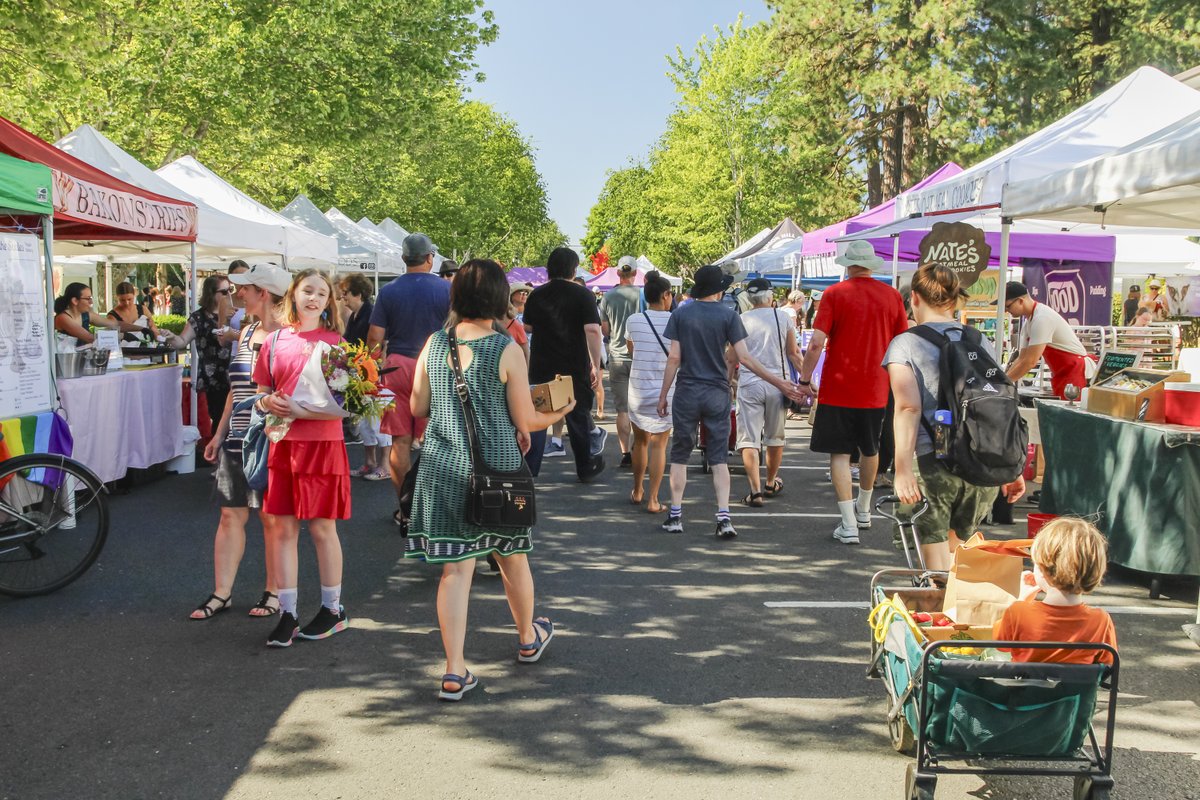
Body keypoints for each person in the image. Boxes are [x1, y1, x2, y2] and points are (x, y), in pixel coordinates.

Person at [407, 259, 575, 701]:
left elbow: (417, 406)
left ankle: (454, 670)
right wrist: (561, 409)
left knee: (455, 571)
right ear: (500, 299)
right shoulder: (506, 349)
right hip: (499, 469)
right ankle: (527, 638)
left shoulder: (434, 344)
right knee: (512, 557)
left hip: (443, 467)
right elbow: (526, 419)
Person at [886, 264, 1026, 570]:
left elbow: (908, 408)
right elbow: (998, 402)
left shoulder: (905, 344)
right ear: (954, 299)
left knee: (934, 571)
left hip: (932, 462)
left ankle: (938, 612)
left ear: (915, 299)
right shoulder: (978, 341)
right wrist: (1012, 467)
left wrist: (901, 470)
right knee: (959, 561)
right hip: (979, 462)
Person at [657, 264, 805, 538]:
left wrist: (664, 394)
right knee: (718, 458)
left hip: (688, 391)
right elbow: (745, 358)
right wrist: (779, 382)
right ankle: (724, 517)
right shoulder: (729, 317)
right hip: (717, 393)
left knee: (679, 454)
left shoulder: (680, 314)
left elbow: (674, 358)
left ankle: (675, 515)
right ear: (718, 290)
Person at [253, 269, 351, 648]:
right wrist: (268, 402)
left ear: (329, 302)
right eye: (307, 290)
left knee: (323, 529)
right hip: (283, 443)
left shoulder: (337, 344)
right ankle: (287, 613)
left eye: (321, 293)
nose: (313, 298)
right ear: (293, 294)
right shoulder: (273, 341)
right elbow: (260, 393)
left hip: (324, 444)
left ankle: (332, 609)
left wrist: (300, 410)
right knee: (282, 529)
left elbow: (346, 406)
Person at [189, 262, 291, 620]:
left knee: (271, 520)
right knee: (230, 516)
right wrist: (219, 433)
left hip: (271, 440)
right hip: (238, 438)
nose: (237, 294)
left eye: (244, 288)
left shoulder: (290, 337)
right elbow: (237, 388)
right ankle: (222, 593)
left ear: (263, 293)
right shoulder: (246, 334)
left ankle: (274, 591)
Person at [796, 240, 909, 546]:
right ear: (871, 265)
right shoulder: (892, 296)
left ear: (848, 264)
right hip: (877, 386)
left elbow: (817, 342)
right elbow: (903, 342)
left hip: (839, 386)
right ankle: (863, 509)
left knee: (840, 454)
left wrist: (805, 379)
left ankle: (848, 523)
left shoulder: (834, 294)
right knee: (870, 449)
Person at [367, 233, 451, 526]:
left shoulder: (388, 291)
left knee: (399, 442)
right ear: (429, 258)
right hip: (436, 367)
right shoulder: (446, 289)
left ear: (404, 260)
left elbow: (375, 339)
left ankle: (406, 510)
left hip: (396, 369)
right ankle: (435, 511)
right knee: (436, 442)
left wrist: (372, 370)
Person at [524, 247, 606, 482]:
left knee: (539, 415)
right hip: (573, 365)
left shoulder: (537, 295)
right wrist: (595, 363)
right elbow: (592, 330)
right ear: (573, 269)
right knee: (577, 416)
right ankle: (585, 466)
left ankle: (530, 469)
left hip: (542, 364)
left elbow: (528, 326)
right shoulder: (583, 295)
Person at [993, 517, 1117, 665]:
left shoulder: (1018, 612)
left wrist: (1021, 600)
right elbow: (1107, 664)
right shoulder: (1101, 621)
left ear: (1043, 569)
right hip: (1075, 688)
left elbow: (999, 644)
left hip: (1024, 687)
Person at [730, 278, 804, 506]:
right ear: (770, 296)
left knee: (749, 440)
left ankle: (755, 490)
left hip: (750, 384)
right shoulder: (782, 317)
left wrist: (727, 381)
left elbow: (732, 356)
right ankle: (770, 482)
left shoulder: (740, 319)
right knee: (775, 438)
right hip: (777, 384)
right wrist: (807, 379)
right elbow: (793, 353)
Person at [625, 271, 675, 514]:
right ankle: (654, 499)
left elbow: (631, 349)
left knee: (641, 442)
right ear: (665, 295)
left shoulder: (634, 320)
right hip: (666, 390)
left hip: (638, 387)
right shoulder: (676, 321)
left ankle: (637, 490)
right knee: (660, 445)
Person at [1001, 281, 1092, 400]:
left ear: (1020, 301)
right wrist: (1003, 379)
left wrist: (1002, 384)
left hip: (1075, 370)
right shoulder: (1029, 322)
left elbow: (1030, 361)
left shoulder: (1042, 318)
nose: (1006, 311)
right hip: (1062, 373)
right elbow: (1022, 358)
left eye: (1007, 306)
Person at [340, 273, 391, 481]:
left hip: (373, 374)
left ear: (358, 294)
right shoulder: (355, 315)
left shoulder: (370, 312)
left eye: (346, 294)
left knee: (377, 421)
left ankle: (384, 465)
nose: (343, 298)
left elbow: (380, 342)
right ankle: (370, 462)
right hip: (359, 373)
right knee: (364, 421)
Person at [175, 275, 236, 434]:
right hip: (214, 377)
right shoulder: (199, 317)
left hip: (234, 373)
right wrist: (168, 337)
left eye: (231, 290)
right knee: (219, 418)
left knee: (234, 419)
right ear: (211, 293)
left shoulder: (234, 314)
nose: (229, 295)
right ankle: (217, 454)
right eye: (224, 292)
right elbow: (182, 340)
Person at [600, 256, 642, 467]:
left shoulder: (607, 297)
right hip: (639, 356)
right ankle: (638, 448)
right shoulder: (642, 295)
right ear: (635, 273)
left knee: (622, 409)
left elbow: (604, 329)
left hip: (617, 356)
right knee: (639, 407)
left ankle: (625, 452)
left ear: (618, 273)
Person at [53, 282, 145, 346]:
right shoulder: (63, 318)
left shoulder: (86, 314)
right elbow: (89, 338)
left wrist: (142, 329)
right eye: (88, 298)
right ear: (75, 301)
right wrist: (122, 335)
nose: (91, 302)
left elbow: (114, 323)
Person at [505, 282, 531, 363]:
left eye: (526, 293)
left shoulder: (531, 314)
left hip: (531, 354)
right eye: (521, 292)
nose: (524, 295)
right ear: (512, 296)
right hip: (513, 355)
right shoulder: (506, 316)